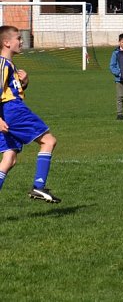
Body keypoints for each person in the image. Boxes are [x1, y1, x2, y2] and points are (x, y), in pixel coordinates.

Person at [0, 25, 61, 203]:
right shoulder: (3, 64)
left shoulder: (9, 64)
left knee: (9, 158)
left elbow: (9, 90)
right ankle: (39, 187)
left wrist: (24, 82)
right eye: (18, 38)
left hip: (7, 112)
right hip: (13, 111)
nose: (22, 41)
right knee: (49, 141)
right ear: (6, 42)